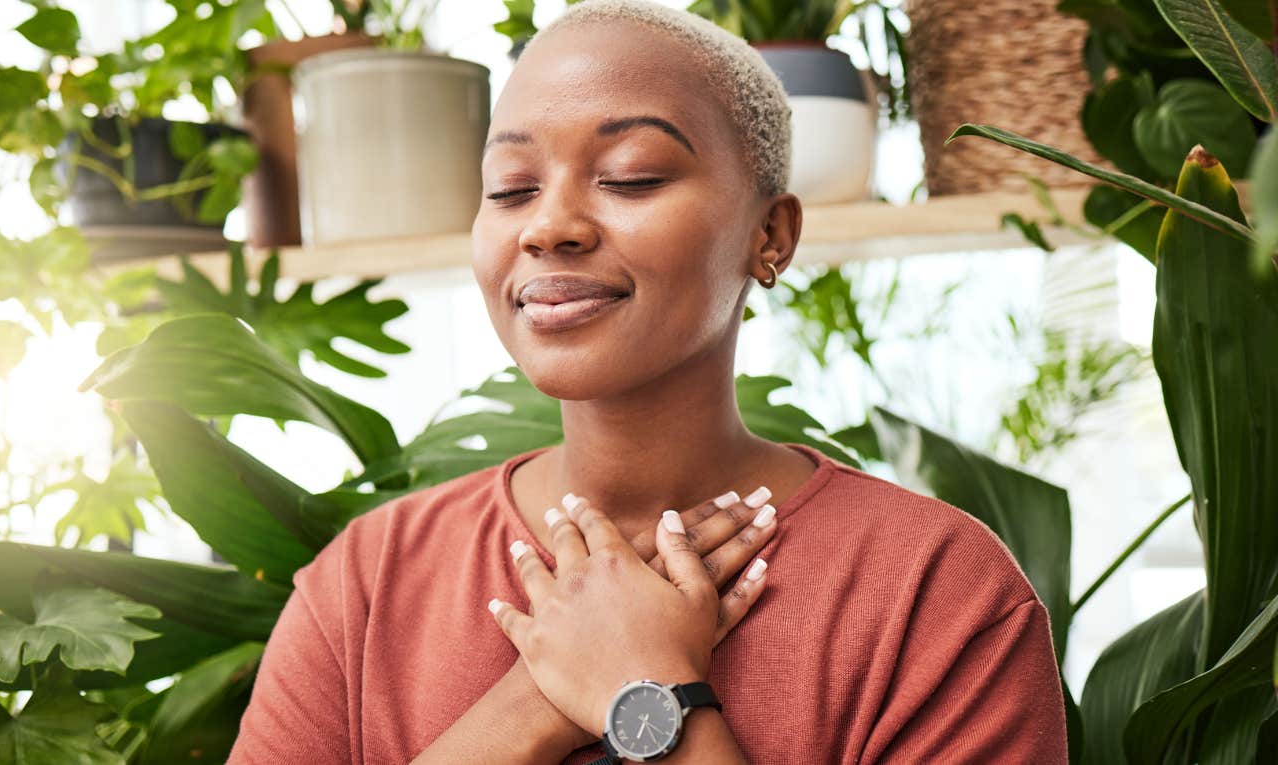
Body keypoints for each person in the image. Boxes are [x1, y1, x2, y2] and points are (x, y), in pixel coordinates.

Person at [226, 1, 1069, 762]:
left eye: (631, 175)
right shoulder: (366, 585)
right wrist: (534, 700)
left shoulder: (936, 592)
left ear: (769, 234)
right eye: (510, 189)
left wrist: (651, 693)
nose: (549, 226)